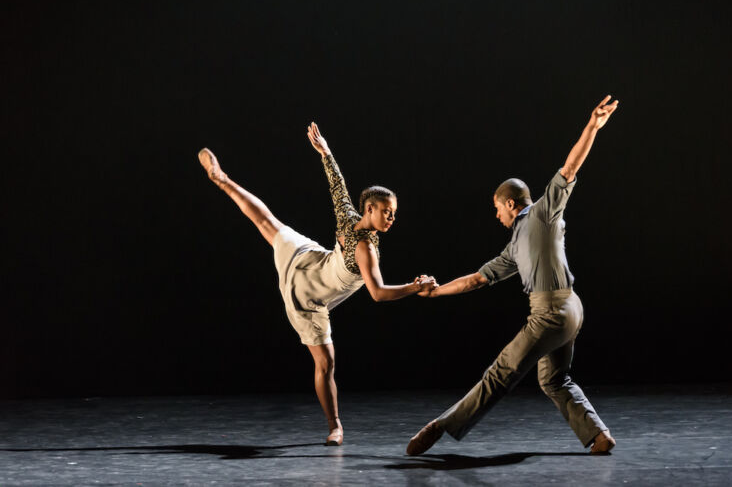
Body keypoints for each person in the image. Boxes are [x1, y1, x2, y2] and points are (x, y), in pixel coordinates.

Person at [198, 122, 436, 446]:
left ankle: (223, 181)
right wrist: (415, 287)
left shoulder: (349, 214)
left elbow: (337, 185)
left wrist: (326, 153)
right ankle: (335, 425)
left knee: (267, 222)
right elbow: (378, 293)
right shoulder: (365, 247)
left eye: (393, 214)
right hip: (309, 298)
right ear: (371, 209)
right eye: (387, 213)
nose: (392, 219)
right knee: (326, 364)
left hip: (309, 259)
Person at [406, 96, 620, 455]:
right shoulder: (515, 245)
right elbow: (476, 279)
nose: (496, 217)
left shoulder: (541, 214)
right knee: (552, 378)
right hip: (570, 309)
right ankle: (598, 434)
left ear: (510, 203)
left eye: (496, 209)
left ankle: (441, 426)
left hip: (551, 312)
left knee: (500, 373)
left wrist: (592, 127)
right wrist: (437, 291)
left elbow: (569, 169)